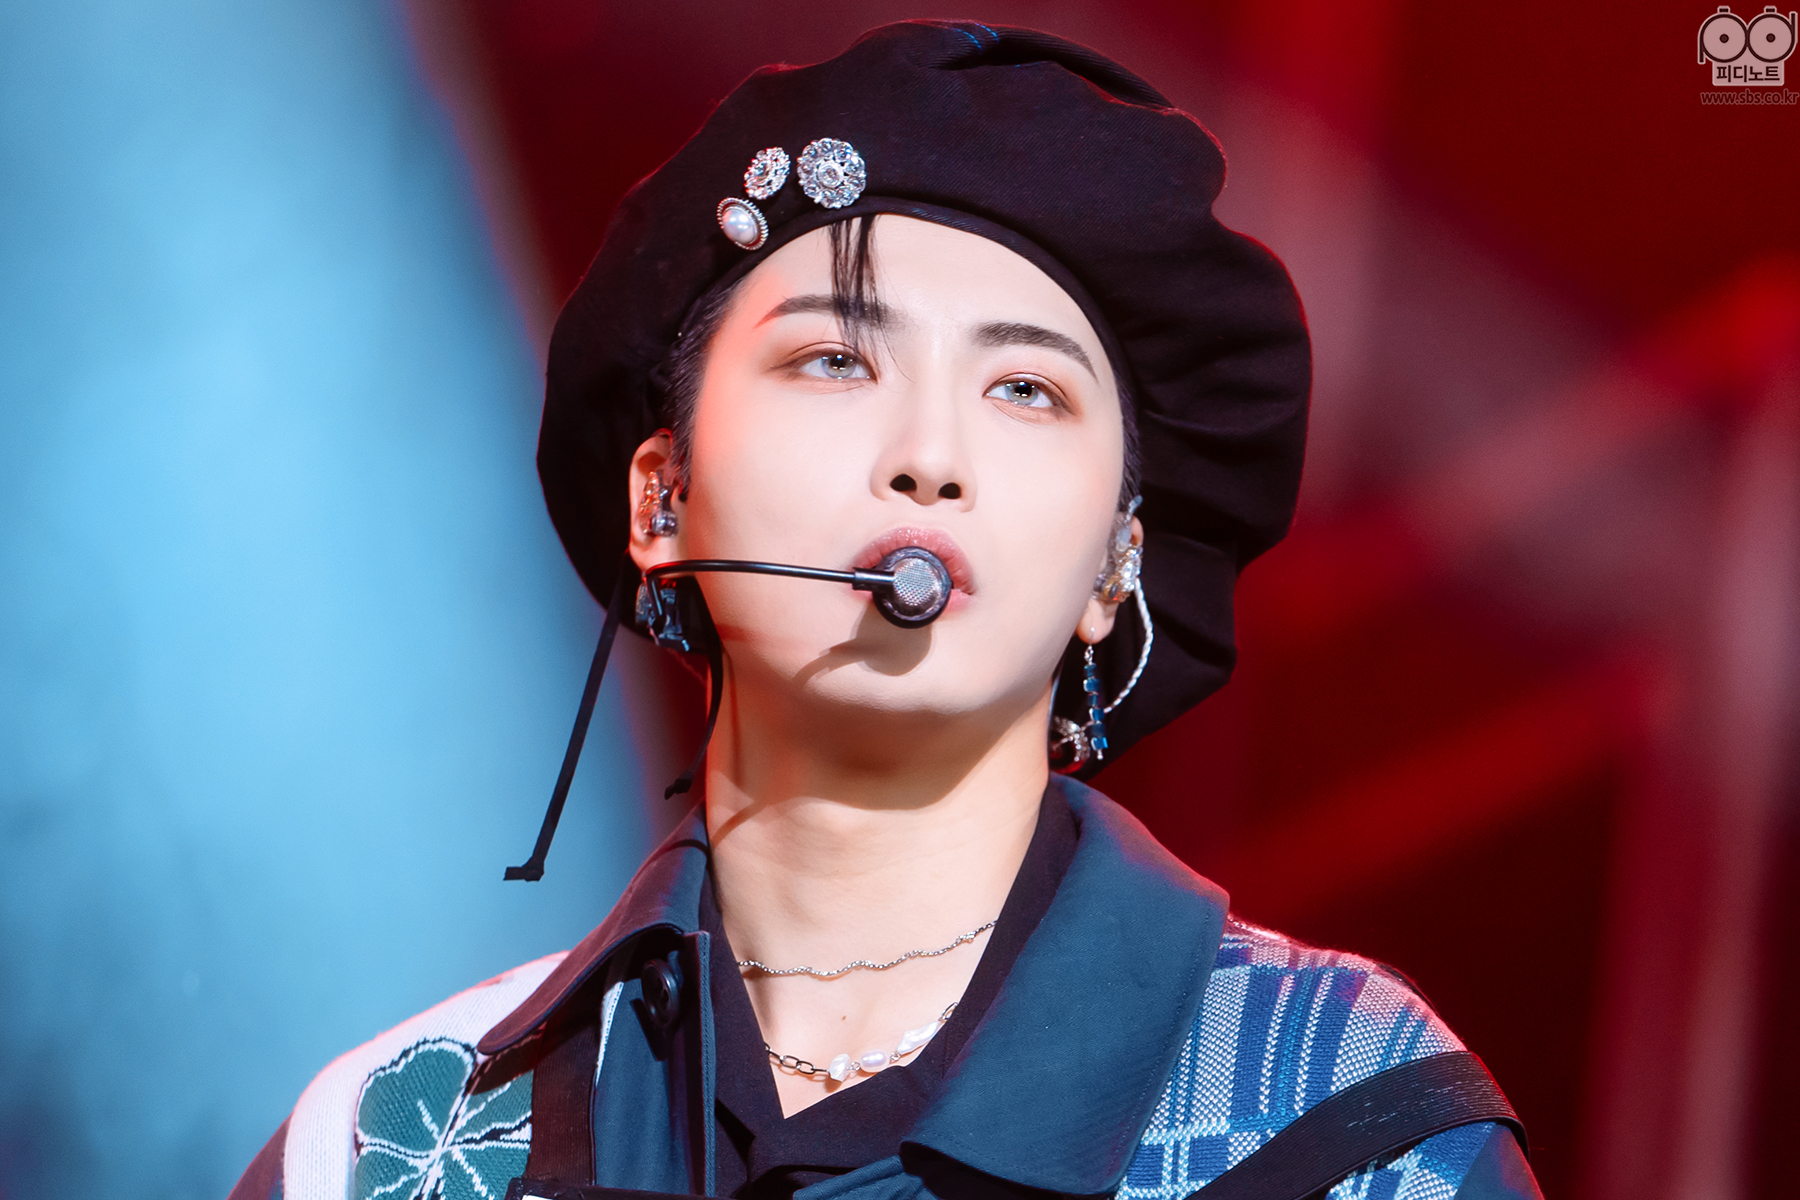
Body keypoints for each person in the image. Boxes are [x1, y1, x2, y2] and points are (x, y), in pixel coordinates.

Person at [230, 21, 1541, 1200]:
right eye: (834, 358)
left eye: (1026, 390)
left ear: (1115, 568)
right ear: (662, 501)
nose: (929, 456)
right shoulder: (392, 1147)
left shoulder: (1340, 1123)